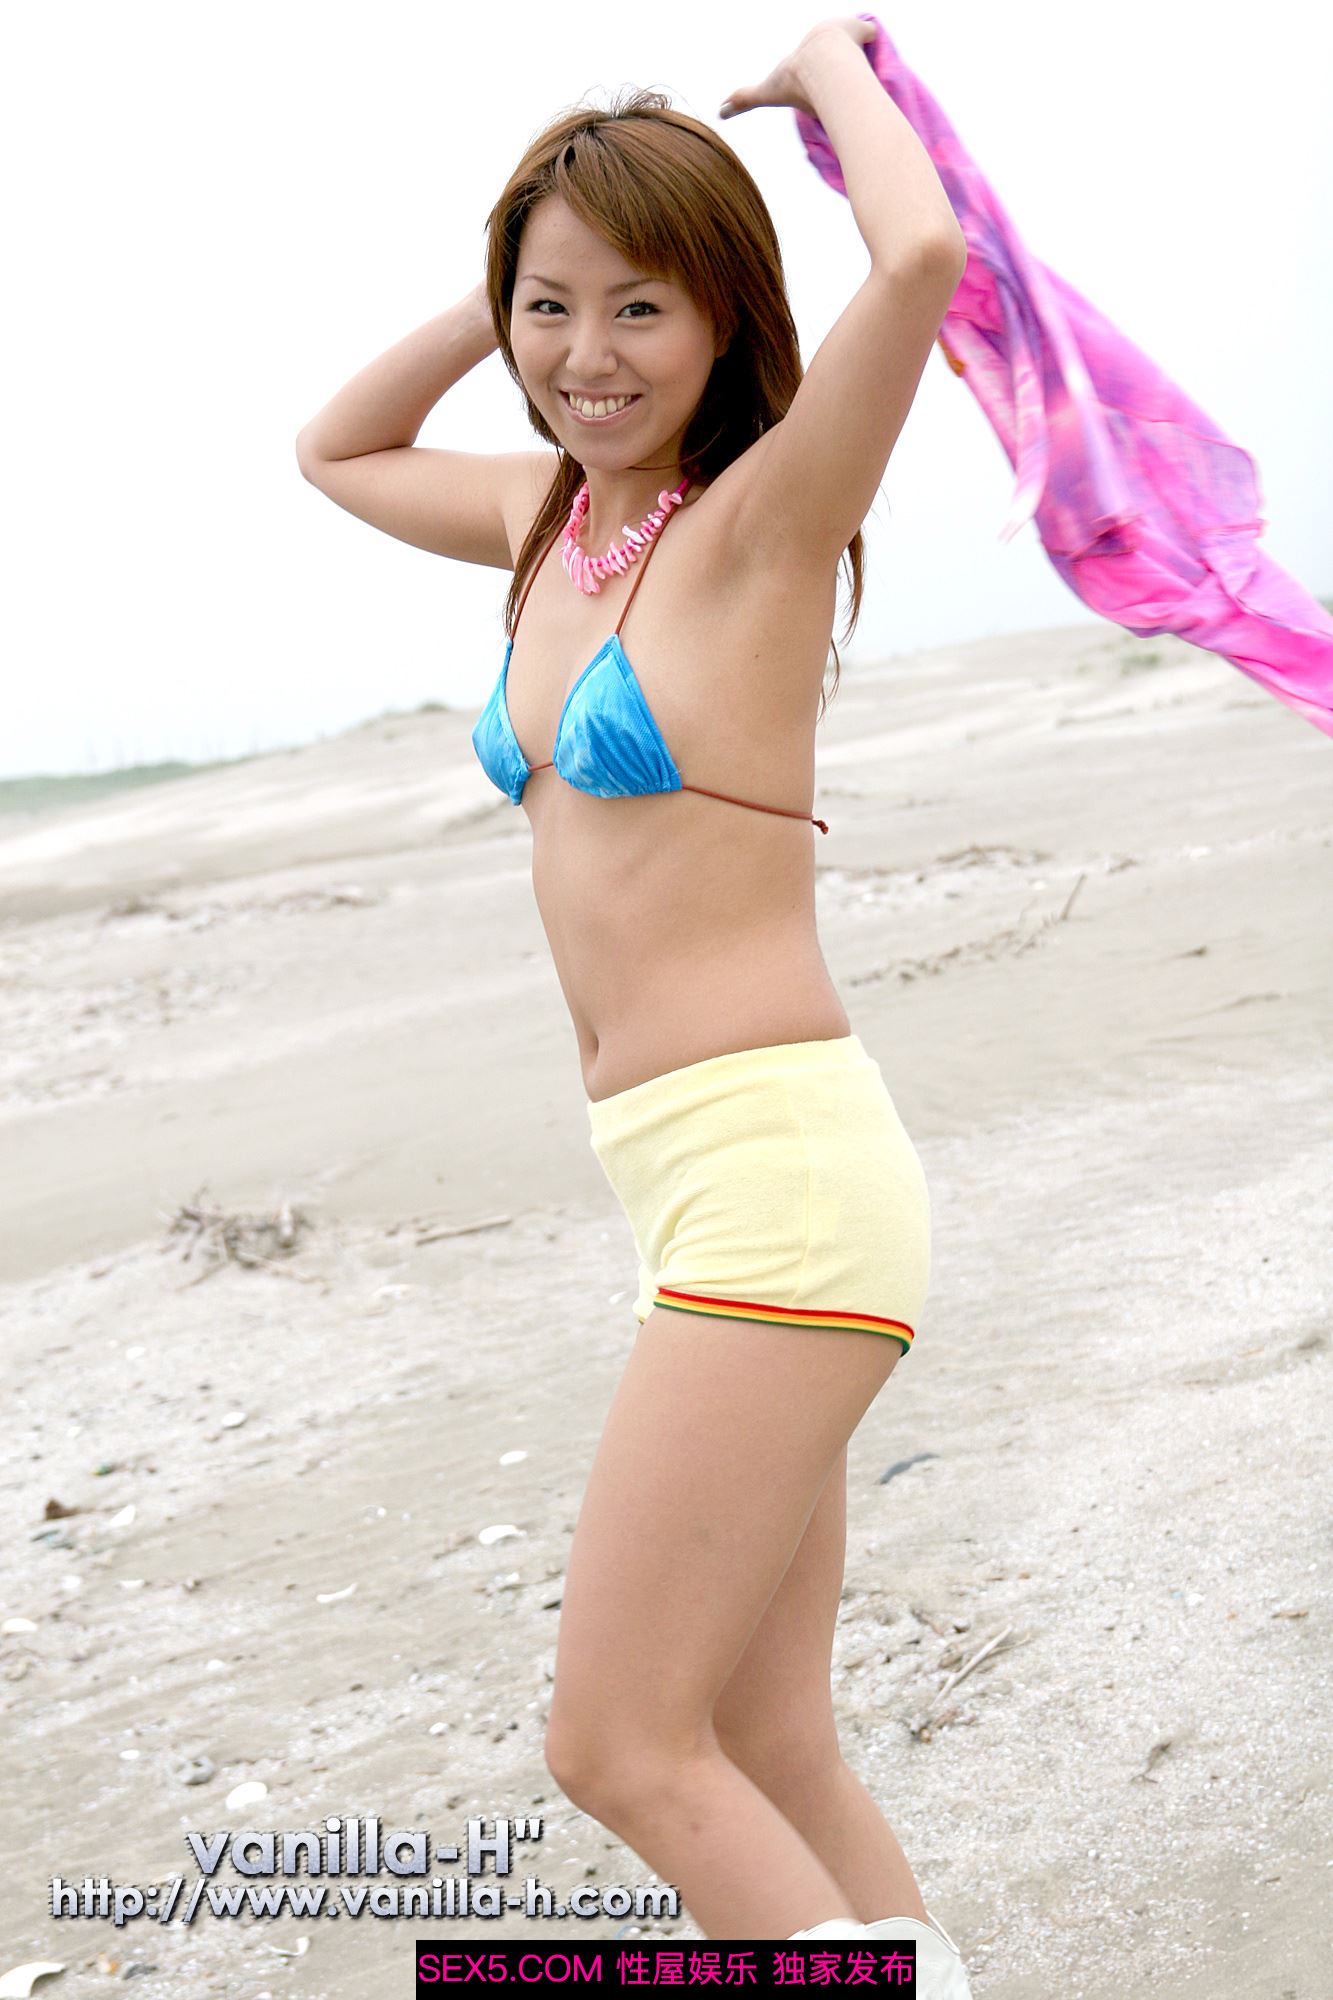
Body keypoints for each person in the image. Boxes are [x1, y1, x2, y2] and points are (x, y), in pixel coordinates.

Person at [296, 16, 972, 1981]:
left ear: (723, 316)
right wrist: (530, 265)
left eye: (641, 307)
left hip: (781, 1177)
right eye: (552, 311)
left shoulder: (763, 520)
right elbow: (334, 449)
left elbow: (920, 258)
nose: (589, 353)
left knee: (616, 1742)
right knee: (763, 1740)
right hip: (684, 1180)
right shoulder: (545, 521)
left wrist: (826, 68)